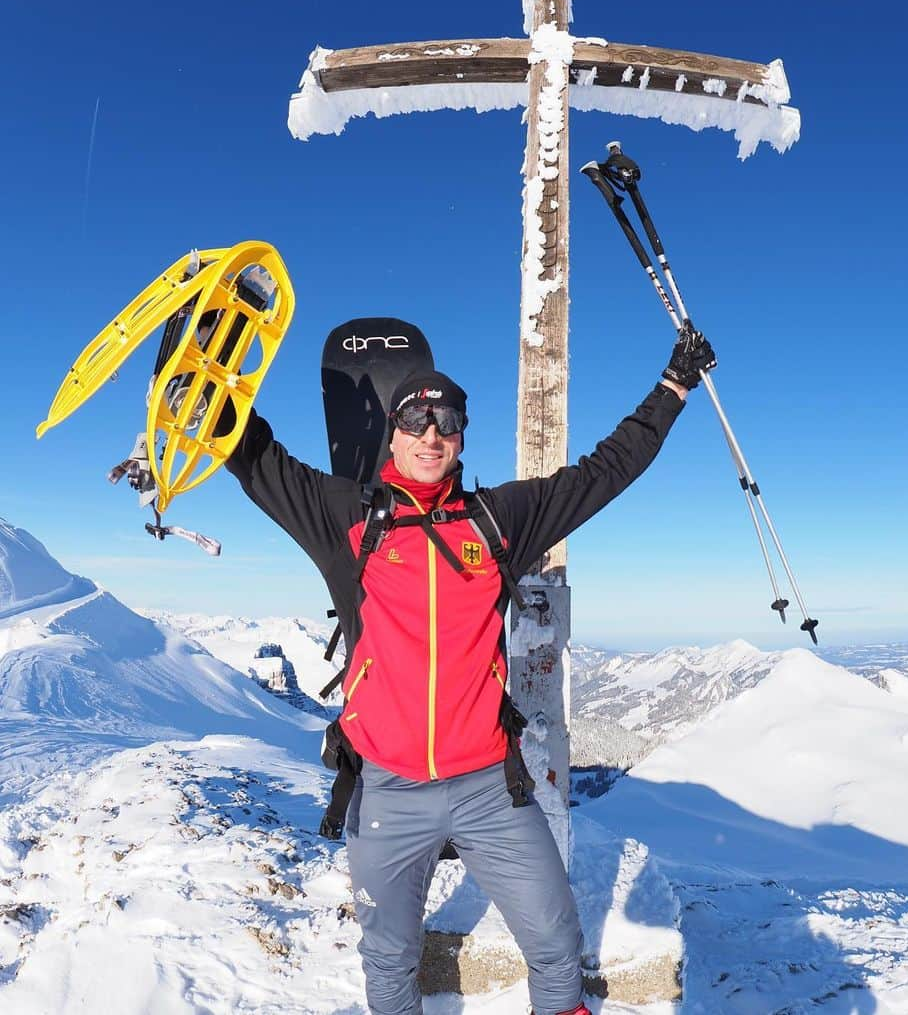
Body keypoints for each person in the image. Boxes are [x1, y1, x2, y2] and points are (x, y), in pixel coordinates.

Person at [226, 321, 716, 1015]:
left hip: (489, 787)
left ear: (460, 438)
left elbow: (604, 472)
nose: (432, 433)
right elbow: (259, 461)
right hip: (388, 790)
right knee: (388, 958)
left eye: (447, 420)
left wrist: (673, 388)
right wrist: (209, 396)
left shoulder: (498, 520)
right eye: (416, 418)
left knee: (554, 941)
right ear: (391, 435)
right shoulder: (348, 520)